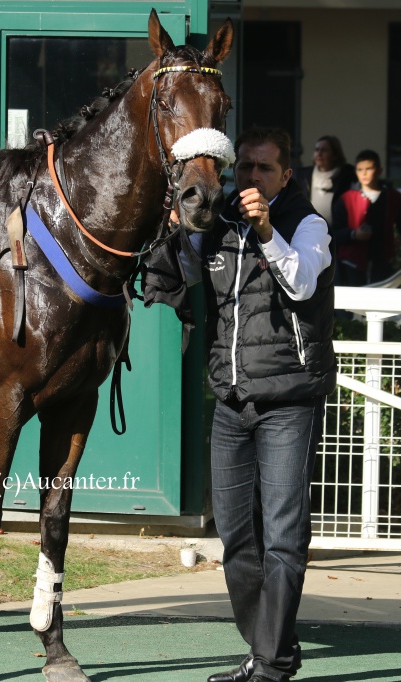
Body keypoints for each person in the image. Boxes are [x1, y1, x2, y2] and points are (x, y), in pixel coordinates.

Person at [179, 127, 336, 682]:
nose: (250, 178)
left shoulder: (306, 223)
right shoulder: (219, 221)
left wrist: (268, 231)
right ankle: (270, 651)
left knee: (284, 535)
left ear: (285, 176)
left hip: (289, 398)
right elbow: (186, 275)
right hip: (231, 399)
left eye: (263, 170)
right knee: (237, 538)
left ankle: (269, 665)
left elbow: (301, 285)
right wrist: (179, 229)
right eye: (243, 167)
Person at [332, 149, 401, 285]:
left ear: (379, 170)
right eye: (359, 169)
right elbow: (335, 232)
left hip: (383, 261)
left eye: (368, 168)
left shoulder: (393, 198)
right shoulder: (346, 199)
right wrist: (353, 234)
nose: (363, 173)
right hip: (352, 263)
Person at [295, 135, 356, 226]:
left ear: (335, 155)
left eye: (324, 150)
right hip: (309, 229)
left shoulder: (346, 176)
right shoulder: (303, 175)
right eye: (317, 149)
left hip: (336, 232)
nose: (319, 153)